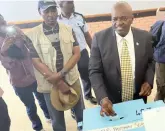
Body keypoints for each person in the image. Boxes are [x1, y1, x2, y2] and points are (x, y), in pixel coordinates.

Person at [25, 0, 84, 130]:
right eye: (46, 11)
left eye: (53, 10)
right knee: (57, 120)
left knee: (82, 115)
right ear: (40, 12)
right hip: (49, 84)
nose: (51, 14)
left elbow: (76, 53)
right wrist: (58, 82)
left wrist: (61, 75)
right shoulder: (32, 35)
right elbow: (36, 61)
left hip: (71, 79)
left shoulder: (68, 29)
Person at [89, 1, 154, 116]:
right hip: (111, 101)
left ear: (132, 19)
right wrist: (102, 98)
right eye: (115, 19)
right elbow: (95, 72)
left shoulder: (145, 37)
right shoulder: (99, 39)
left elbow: (150, 61)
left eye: (123, 18)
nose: (118, 23)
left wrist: (148, 81)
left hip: (138, 97)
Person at [0, 14, 50, 131]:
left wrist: (24, 38)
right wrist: (3, 50)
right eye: (0, 24)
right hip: (18, 81)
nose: (3, 25)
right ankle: (37, 127)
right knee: (30, 106)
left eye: (4, 22)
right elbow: (7, 65)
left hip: (33, 75)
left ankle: (48, 117)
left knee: (42, 100)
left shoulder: (15, 30)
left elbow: (31, 47)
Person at [57, 0, 97, 105]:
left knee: (86, 75)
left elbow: (87, 36)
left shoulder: (79, 17)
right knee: (69, 78)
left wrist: (94, 51)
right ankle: (72, 100)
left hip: (82, 52)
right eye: (69, 3)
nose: (72, 6)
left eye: (72, 3)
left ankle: (88, 95)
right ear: (60, 5)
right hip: (67, 56)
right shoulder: (57, 21)